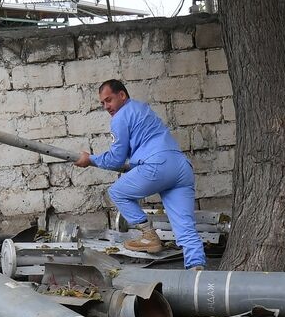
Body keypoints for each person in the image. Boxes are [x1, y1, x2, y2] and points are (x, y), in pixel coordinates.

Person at [76, 79, 207, 270]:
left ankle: (148, 235)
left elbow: (116, 160)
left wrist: (90, 160)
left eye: (109, 100)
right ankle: (197, 270)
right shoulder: (142, 108)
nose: (106, 106)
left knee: (117, 193)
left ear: (122, 95)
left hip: (158, 165)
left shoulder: (120, 117)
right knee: (185, 227)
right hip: (180, 167)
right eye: (102, 103)